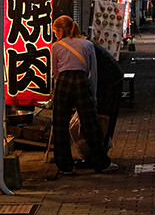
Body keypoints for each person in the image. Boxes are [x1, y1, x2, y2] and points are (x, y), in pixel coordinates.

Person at [50, 16, 118, 175]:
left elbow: (55, 72)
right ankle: (100, 162)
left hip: (63, 82)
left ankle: (65, 166)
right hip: (82, 82)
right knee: (90, 124)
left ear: (60, 31)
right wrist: (93, 96)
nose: (55, 35)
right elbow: (93, 72)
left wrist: (58, 87)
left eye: (55, 32)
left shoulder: (56, 46)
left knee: (60, 125)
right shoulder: (87, 44)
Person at [72, 39, 124, 167]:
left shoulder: (80, 46)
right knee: (102, 118)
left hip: (108, 81)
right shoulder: (82, 43)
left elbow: (91, 72)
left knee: (102, 119)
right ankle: (97, 154)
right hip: (110, 78)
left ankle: (96, 155)